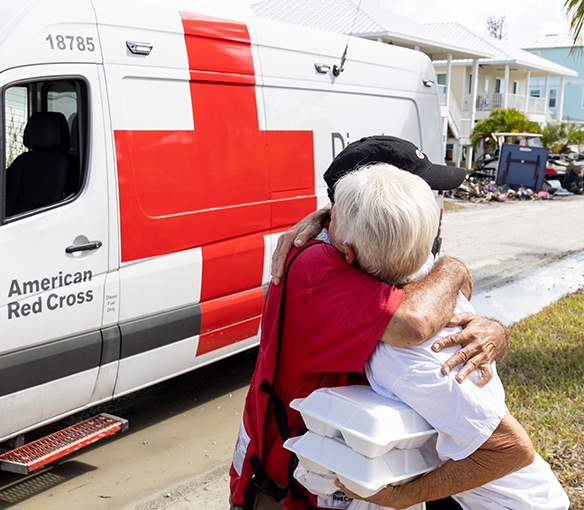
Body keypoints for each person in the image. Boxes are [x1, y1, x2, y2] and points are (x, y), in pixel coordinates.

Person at [229, 136, 511, 510]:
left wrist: (494, 332)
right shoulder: (321, 267)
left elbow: (451, 317)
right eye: (423, 193)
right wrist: (454, 268)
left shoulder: (370, 256)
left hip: (339, 474)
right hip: (289, 492)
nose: (431, 208)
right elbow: (416, 323)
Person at [295, 164, 568, 509]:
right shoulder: (438, 286)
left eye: (329, 228)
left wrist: (402, 497)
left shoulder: (401, 355)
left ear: (348, 255)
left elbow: (511, 449)